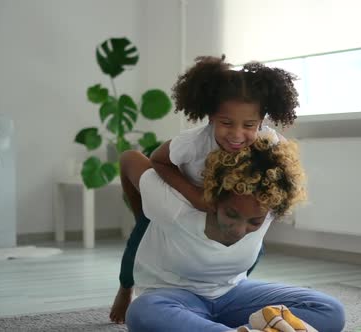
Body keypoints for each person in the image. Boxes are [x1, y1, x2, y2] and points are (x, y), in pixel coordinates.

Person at [110, 55, 300, 323]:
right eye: (226, 123)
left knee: (253, 249)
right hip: (186, 202)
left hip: (227, 212)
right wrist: (195, 196)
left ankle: (227, 296)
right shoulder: (194, 143)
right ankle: (125, 288)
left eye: (249, 125)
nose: (236, 135)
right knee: (141, 235)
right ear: (211, 116)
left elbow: (284, 178)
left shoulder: (269, 142)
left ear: (262, 120)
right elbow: (157, 160)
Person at [120, 137, 345, 331]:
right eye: (231, 214)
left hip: (234, 294)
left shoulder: (268, 207)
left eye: (254, 221)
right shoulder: (174, 206)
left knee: (330, 311)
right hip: (174, 296)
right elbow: (129, 159)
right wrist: (144, 217)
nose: (239, 230)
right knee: (142, 313)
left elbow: (273, 146)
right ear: (215, 198)